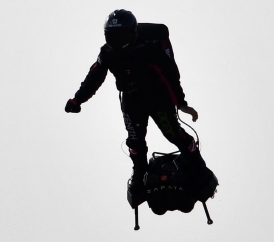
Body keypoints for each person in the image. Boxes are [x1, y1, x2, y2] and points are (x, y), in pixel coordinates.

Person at [64, 10, 205, 196]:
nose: (116, 41)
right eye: (111, 36)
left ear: (132, 34)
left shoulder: (149, 47)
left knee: (174, 134)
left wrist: (181, 103)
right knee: (135, 141)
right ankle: (139, 172)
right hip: (131, 100)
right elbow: (94, 76)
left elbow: (168, 75)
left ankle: (198, 167)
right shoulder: (106, 52)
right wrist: (77, 99)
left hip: (158, 97)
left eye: (120, 36)